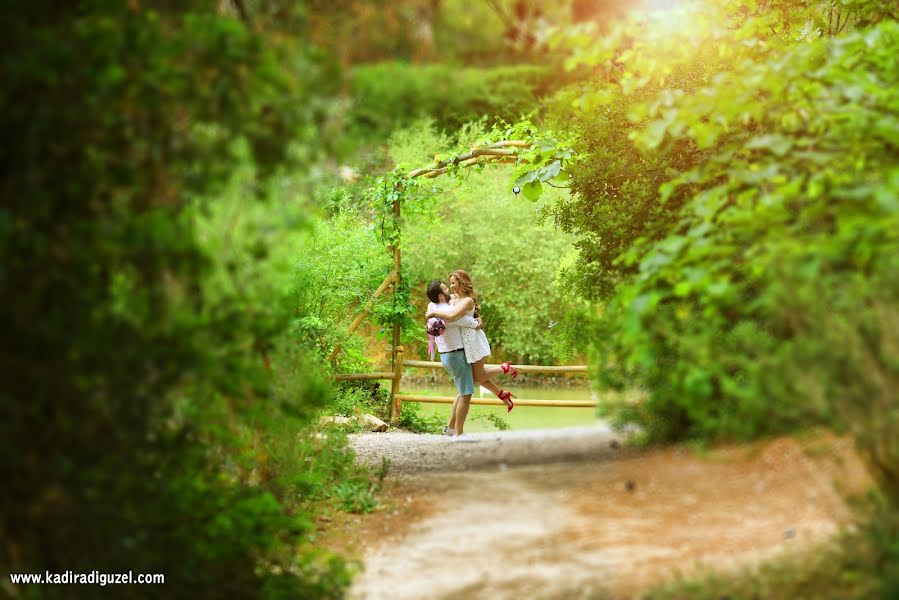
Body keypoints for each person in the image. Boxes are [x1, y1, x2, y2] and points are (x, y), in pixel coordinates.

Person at [426, 270, 518, 412]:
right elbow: (438, 304)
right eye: (449, 284)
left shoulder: (467, 300)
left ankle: (504, 368)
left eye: (453, 283)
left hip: (471, 340)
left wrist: (434, 313)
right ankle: (501, 393)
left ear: (461, 283)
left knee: (476, 376)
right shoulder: (451, 298)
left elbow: (453, 316)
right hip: (462, 342)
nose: (450, 287)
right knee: (475, 377)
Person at [425, 279, 480, 441]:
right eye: (445, 288)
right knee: (467, 393)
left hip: (446, 355)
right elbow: (467, 321)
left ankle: (450, 429)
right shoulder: (448, 311)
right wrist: (477, 322)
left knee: (462, 391)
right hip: (456, 355)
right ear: (441, 296)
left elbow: (431, 307)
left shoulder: (432, 307)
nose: (449, 289)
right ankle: (459, 433)